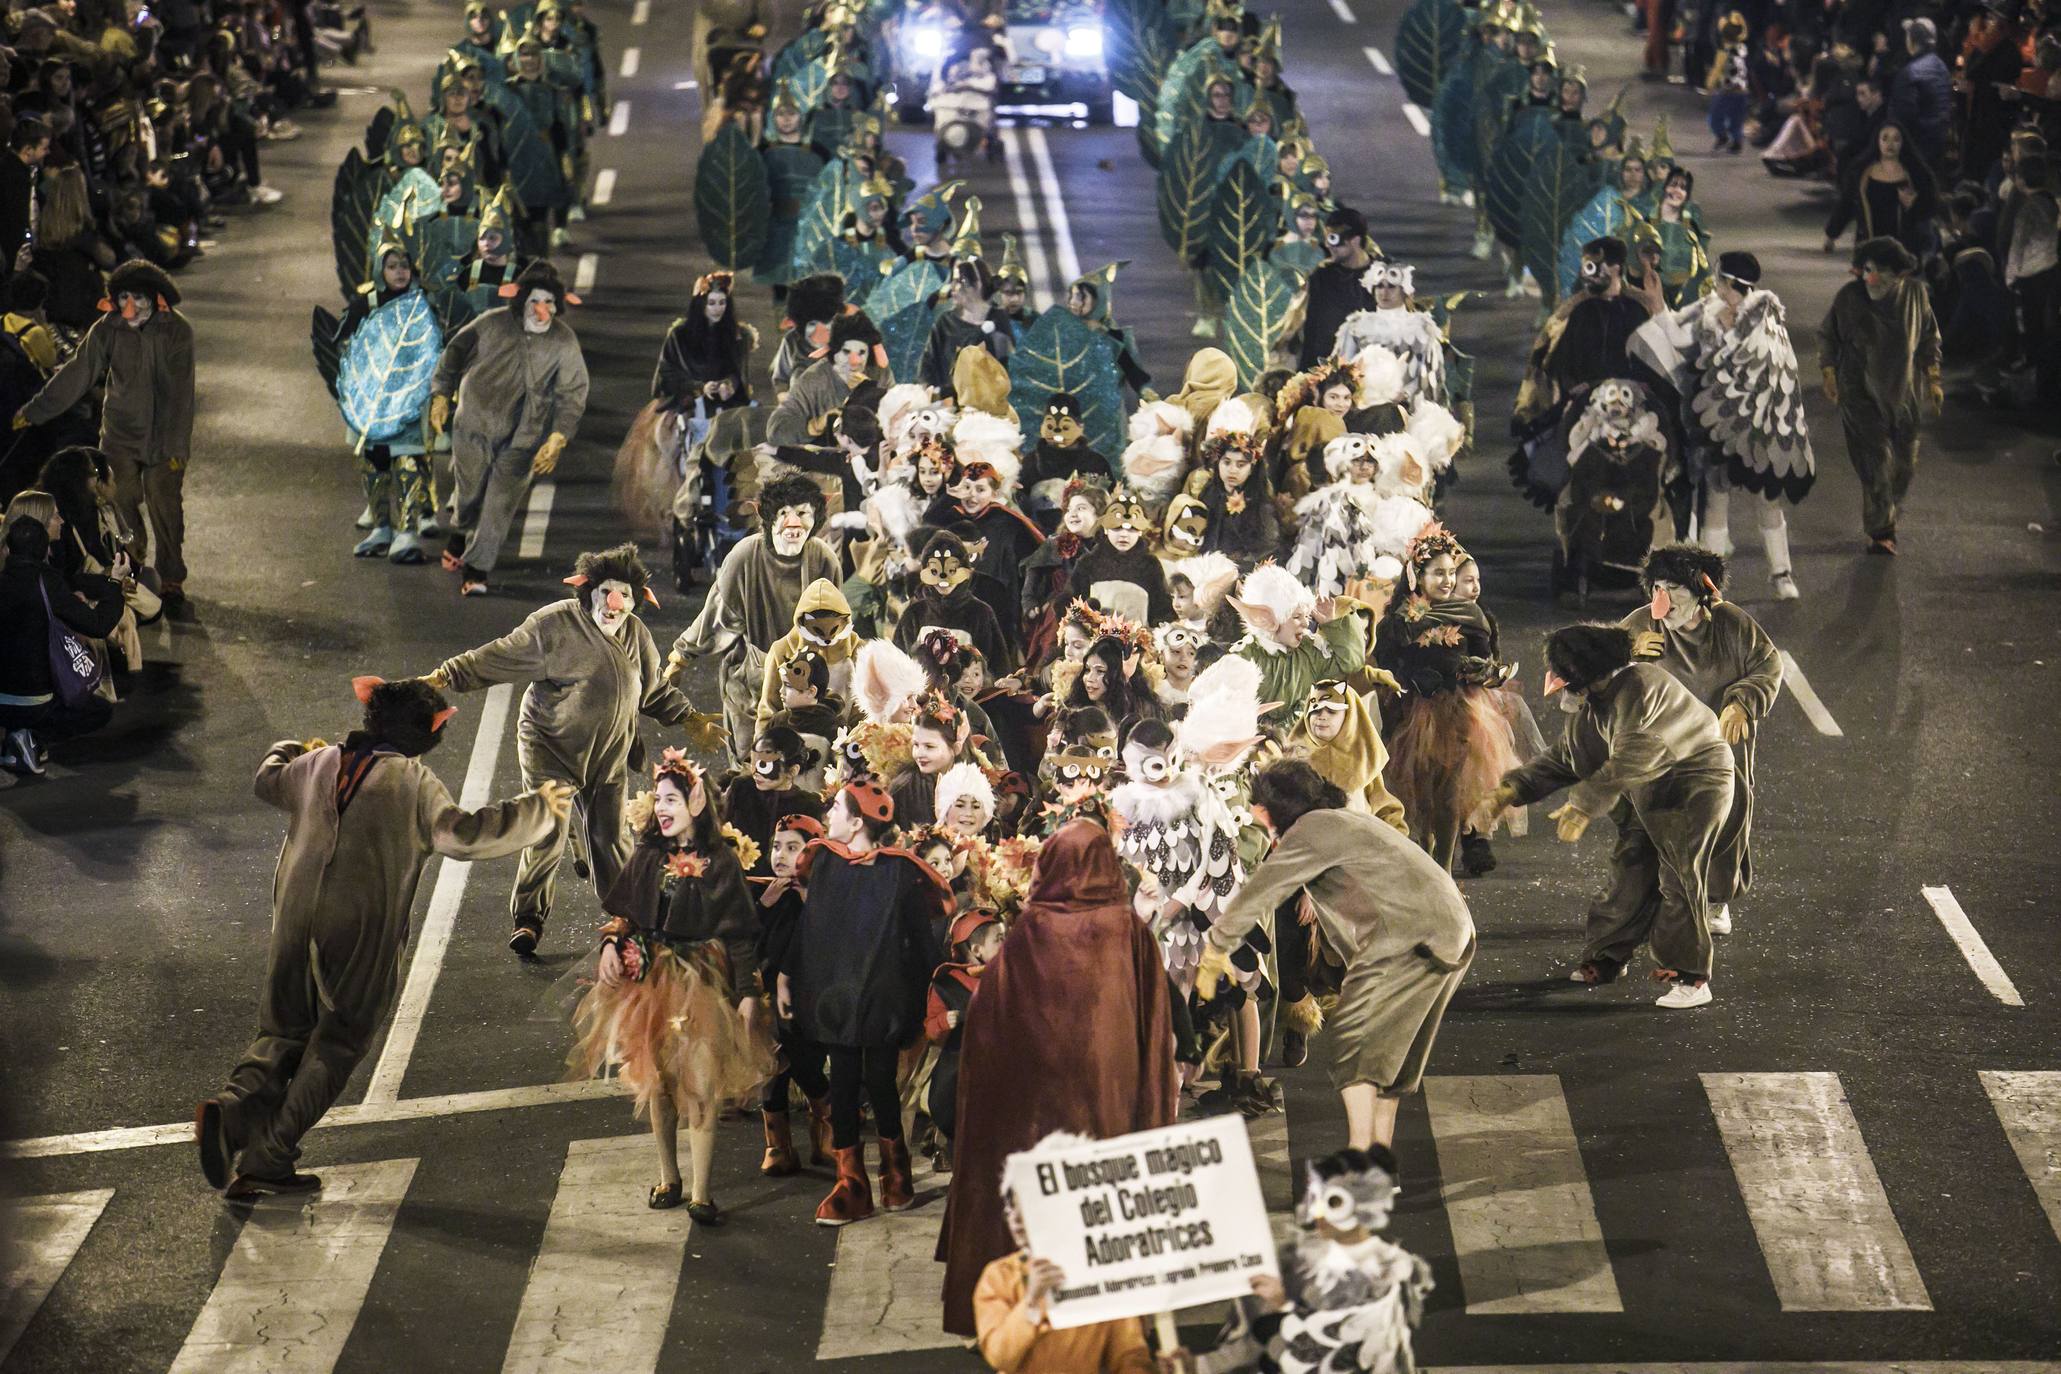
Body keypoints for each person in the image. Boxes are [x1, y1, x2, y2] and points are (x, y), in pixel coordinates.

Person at [195, 679, 568, 1197]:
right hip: (359, 924)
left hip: (294, 915)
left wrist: (290, 748)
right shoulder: (411, 781)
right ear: (428, 732)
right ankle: (268, 1156)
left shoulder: (318, 763)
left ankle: (233, 1110)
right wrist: (539, 811)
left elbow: (267, 779)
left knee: (281, 1028)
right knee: (341, 1037)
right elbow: (465, 834)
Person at [938, 818, 1180, 1336]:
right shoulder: (1128, 930)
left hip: (1036, 1100)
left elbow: (987, 1020)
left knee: (1032, 1192)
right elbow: (1154, 1024)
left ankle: (1026, 1310)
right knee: (1102, 1188)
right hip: (1109, 1093)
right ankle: (1105, 1314)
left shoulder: (1030, 931)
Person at [427, 544, 705, 955]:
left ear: (636, 600)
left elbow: (652, 691)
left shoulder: (636, 635)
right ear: (588, 590)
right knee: (547, 831)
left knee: (610, 836)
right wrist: (447, 674)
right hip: (550, 746)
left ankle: (627, 915)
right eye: (607, 591)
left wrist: (691, 719)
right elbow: (500, 654)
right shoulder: (554, 627)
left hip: (607, 755)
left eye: (625, 594)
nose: (615, 603)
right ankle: (528, 918)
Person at [1196, 759, 1474, 1151]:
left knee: (1357, 1055)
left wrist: (1215, 950)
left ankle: (1361, 1163)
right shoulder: (1343, 820)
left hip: (1408, 937)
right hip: (1453, 930)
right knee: (1389, 1065)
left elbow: (1261, 891)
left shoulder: (1311, 831)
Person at [1482, 623, 1735, 1008]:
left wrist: (1584, 804)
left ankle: (1691, 976)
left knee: (1679, 873)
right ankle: (1608, 957)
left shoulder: (1642, 686)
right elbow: (1569, 755)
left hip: (1694, 782)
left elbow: (1638, 751)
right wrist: (1514, 788)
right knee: (1630, 864)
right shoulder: (1596, 705)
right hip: (1645, 786)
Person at [568, 752, 774, 1221]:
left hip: (702, 981)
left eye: (672, 799)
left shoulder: (719, 861)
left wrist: (745, 993)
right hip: (652, 980)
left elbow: (742, 934)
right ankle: (670, 1177)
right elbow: (624, 914)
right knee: (657, 1082)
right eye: (658, 799)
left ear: (695, 803)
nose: (662, 808)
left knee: (700, 1085)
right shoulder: (647, 853)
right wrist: (611, 944)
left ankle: (702, 1192)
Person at [1565, 546, 1779, 936]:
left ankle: (1714, 898)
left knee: (1727, 817)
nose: (1662, 600)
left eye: (1674, 588)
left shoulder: (1732, 623)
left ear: (1702, 591)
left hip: (1718, 741)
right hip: (1659, 745)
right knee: (1652, 822)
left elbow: (1767, 665)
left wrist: (1743, 703)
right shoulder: (1643, 622)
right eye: (1656, 587)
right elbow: (1588, 668)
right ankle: (1651, 900)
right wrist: (1624, 650)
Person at [786, 781, 951, 1226]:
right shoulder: (825, 863)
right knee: (841, 1083)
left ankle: (896, 1173)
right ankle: (851, 1181)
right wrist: (787, 975)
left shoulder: (898, 871)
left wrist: (939, 988)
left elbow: (920, 940)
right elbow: (810, 927)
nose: (830, 813)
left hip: (883, 999)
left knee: (880, 1083)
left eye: (837, 807)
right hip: (837, 997)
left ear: (858, 821)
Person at [16, 261, 196, 604]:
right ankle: (134, 565)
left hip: (164, 438)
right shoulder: (108, 329)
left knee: (165, 502)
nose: (130, 307)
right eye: (123, 297)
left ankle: (171, 575)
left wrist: (176, 448)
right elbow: (78, 373)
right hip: (120, 433)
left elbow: (180, 396)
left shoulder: (177, 331)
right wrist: (36, 411)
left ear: (157, 299)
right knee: (119, 500)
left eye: (138, 298)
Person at [429, 259, 589, 596]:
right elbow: (454, 353)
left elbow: (572, 393)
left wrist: (557, 438)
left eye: (548, 302)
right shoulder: (491, 325)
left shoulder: (564, 342)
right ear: (522, 302)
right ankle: (460, 530)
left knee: (499, 501)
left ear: (557, 306)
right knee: (470, 495)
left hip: (524, 438)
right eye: (534, 301)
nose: (541, 309)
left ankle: (477, 570)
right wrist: (441, 394)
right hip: (474, 424)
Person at [972, 1158, 1164, 1373]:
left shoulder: (1104, 1277)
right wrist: (1031, 1302)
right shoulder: (1000, 1276)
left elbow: (1128, 1358)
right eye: (1010, 1208)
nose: (1015, 1219)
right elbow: (1000, 1358)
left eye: (1027, 1207)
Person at [1817, 237, 1942, 555]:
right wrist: (1829, 374)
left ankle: (1888, 510)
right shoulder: (1850, 297)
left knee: (1905, 463)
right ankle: (1881, 530)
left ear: (1898, 274)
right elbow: (1828, 335)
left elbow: (1929, 336)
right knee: (1875, 461)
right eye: (1866, 269)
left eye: (1878, 271)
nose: (1869, 278)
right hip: (1858, 388)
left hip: (1904, 389)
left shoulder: (1915, 295)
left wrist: (1934, 379)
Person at [0, 514, 124, 770]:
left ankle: (16, 738)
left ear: (8, 549)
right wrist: (115, 584)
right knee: (99, 710)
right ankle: (33, 736)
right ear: (45, 549)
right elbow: (97, 625)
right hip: (36, 702)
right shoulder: (47, 584)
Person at [754, 812, 835, 1176]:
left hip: (809, 1000)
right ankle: (778, 1145)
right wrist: (763, 909)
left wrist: (808, 903)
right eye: (776, 847)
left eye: (792, 847)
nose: (781, 855)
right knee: (770, 1070)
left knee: (806, 1063)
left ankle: (826, 1132)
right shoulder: (765, 893)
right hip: (767, 999)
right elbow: (749, 945)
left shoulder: (823, 897)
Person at [923, 909, 1003, 1171]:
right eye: (999, 939)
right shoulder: (948, 985)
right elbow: (931, 1030)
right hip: (960, 1073)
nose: (1007, 944)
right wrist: (945, 1021)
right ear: (977, 950)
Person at [1298, 206, 1375, 368]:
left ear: (1355, 240)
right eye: (1327, 238)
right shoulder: (1322, 276)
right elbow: (1311, 330)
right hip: (1327, 372)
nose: (1328, 245)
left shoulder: (1381, 277)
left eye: (1334, 239)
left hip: (1369, 369)